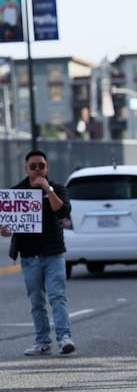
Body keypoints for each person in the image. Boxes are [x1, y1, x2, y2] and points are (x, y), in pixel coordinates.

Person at [1, 150, 75, 356]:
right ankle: (42, 341)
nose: (37, 170)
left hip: (54, 255)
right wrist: (6, 230)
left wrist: (46, 188)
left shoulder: (58, 189)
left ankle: (64, 337)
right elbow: (9, 224)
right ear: (26, 169)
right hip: (29, 257)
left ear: (46, 167)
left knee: (57, 296)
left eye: (41, 166)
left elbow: (62, 211)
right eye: (33, 166)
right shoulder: (17, 192)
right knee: (36, 302)